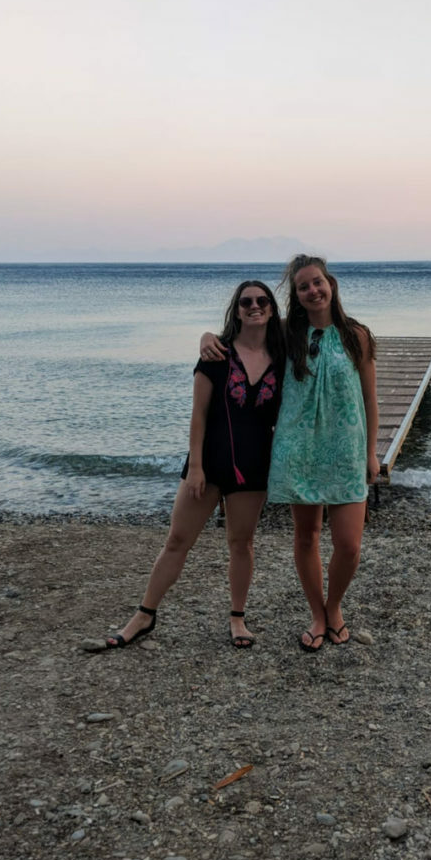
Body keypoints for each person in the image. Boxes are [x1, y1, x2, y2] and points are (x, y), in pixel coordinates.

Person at [93, 280, 284, 652]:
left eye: (262, 301)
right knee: (178, 540)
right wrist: (195, 466)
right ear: (237, 309)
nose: (254, 306)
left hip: (254, 466)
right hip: (208, 463)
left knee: (241, 543)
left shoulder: (283, 356)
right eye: (246, 302)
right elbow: (198, 415)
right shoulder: (216, 354)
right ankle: (144, 615)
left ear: (272, 309)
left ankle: (237, 617)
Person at [202, 255, 379, 652]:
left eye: (317, 282)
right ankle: (320, 616)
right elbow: (240, 340)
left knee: (349, 545)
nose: (312, 290)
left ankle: (334, 607)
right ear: (296, 296)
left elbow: (370, 398)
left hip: (346, 449)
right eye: (303, 287)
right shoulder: (285, 336)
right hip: (298, 448)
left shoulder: (357, 335)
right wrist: (206, 338)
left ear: (330, 283)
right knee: (306, 536)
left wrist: (371, 453)